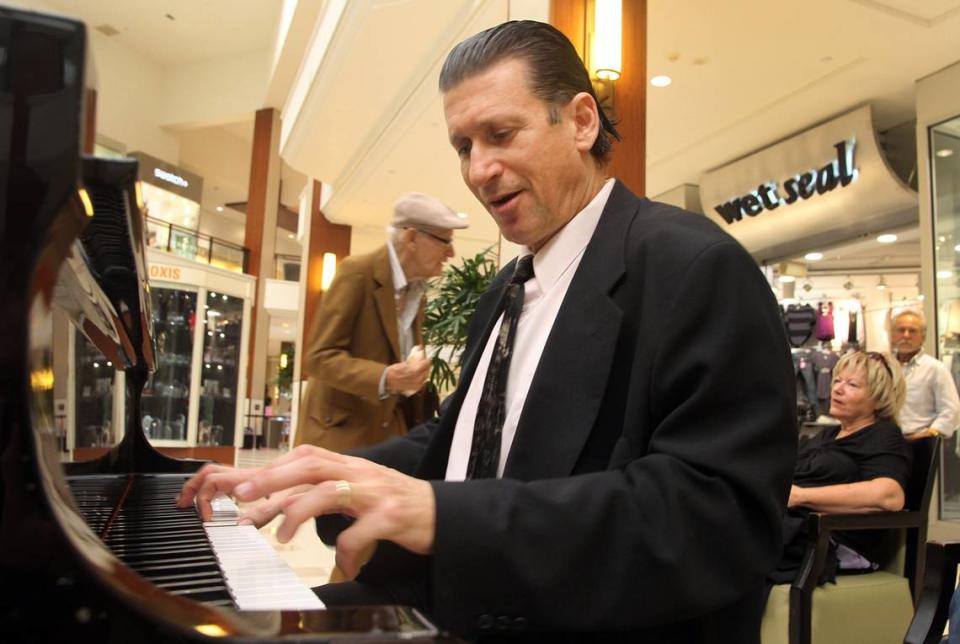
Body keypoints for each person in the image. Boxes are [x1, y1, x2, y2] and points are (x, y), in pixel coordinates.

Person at [179, 21, 796, 641]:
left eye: (501, 134)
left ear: (582, 122)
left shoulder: (695, 267)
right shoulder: (504, 290)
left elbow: (718, 519)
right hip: (450, 600)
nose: (479, 169)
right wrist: (330, 473)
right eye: (464, 147)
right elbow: (461, 439)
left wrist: (445, 516)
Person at [296, 192, 468, 453]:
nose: (451, 253)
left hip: (386, 442)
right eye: (444, 241)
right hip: (340, 441)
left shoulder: (417, 292)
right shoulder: (357, 273)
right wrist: (386, 378)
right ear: (411, 237)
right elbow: (318, 358)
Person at [771, 351, 910, 584]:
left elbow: (889, 495)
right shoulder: (826, 435)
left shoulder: (883, 435)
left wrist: (801, 496)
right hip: (792, 532)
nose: (837, 389)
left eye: (852, 384)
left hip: (830, 543)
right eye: (837, 380)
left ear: (879, 397)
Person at [891, 309, 960, 442]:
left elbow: (951, 410)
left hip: (921, 444)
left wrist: (930, 433)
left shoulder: (935, 369)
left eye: (912, 331)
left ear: (923, 337)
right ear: (893, 335)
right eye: (901, 330)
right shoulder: (884, 367)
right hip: (887, 442)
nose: (906, 335)